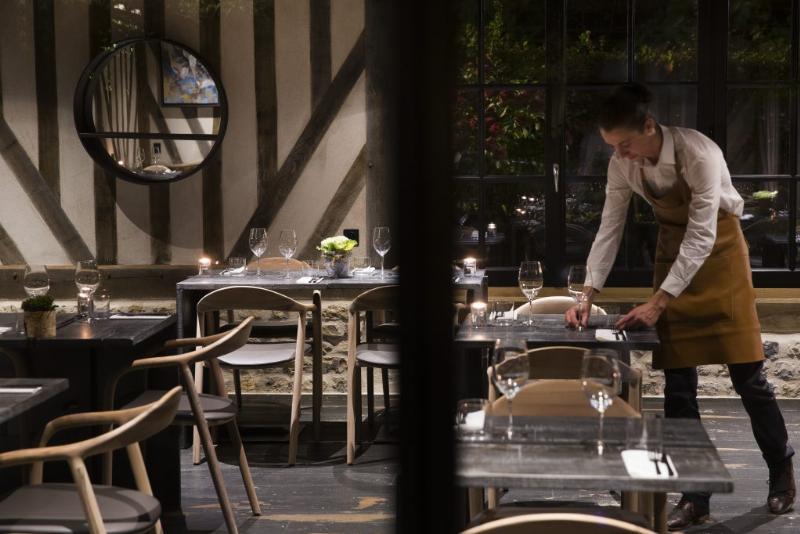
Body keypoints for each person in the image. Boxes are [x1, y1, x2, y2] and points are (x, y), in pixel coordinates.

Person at [565, 82, 795, 530]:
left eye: (626, 144)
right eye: (613, 147)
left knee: (750, 380)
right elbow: (609, 227)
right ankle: (695, 496)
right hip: (674, 258)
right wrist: (586, 294)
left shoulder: (698, 152)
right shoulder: (623, 165)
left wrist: (659, 301)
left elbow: (704, 233)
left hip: (722, 256)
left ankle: (781, 470)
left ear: (650, 126)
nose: (622, 155)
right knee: (679, 388)